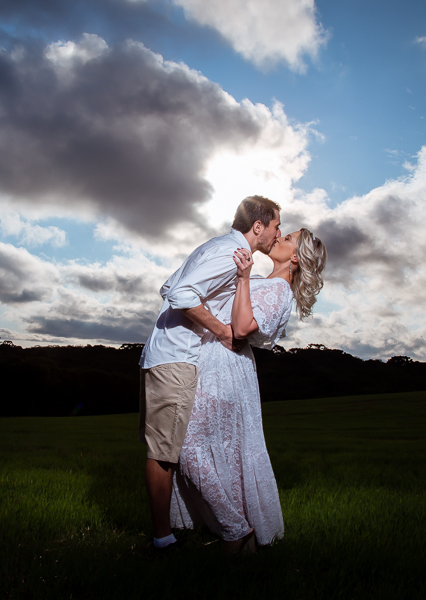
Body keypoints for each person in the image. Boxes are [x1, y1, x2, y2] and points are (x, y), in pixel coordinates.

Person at [170, 228, 327, 552]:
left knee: (187, 447)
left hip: (226, 369)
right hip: (216, 363)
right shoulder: (267, 284)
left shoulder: (278, 290)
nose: (278, 238)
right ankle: (235, 531)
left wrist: (243, 277)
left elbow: (241, 330)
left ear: (295, 258)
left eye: (287, 240)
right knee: (206, 446)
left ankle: (237, 529)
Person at [139, 196, 282, 550]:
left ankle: (171, 535)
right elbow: (179, 294)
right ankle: (166, 541)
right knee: (165, 453)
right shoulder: (228, 252)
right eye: (276, 226)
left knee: (164, 449)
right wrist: (219, 329)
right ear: (258, 226)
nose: (277, 234)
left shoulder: (218, 247)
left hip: (164, 355)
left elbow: (167, 286)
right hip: (176, 358)